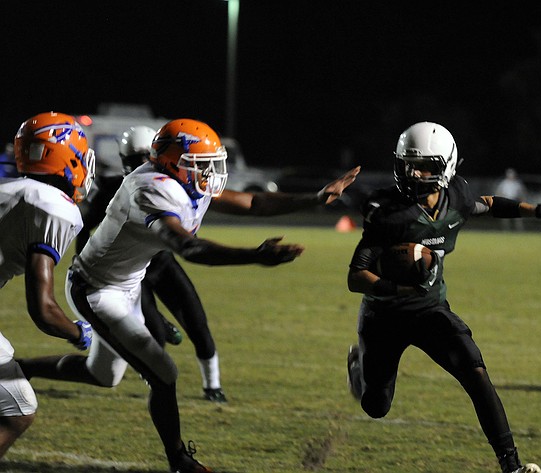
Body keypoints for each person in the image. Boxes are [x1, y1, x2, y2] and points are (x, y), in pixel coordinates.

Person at [18, 118, 360, 473]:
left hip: (126, 284)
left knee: (105, 375)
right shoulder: (151, 188)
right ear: (172, 162)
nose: (210, 173)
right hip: (97, 289)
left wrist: (315, 197)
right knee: (163, 372)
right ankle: (180, 460)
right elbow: (190, 248)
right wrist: (253, 256)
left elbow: (254, 202)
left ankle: (21, 368)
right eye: (202, 164)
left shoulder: (181, 180)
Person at [345, 122, 541, 473]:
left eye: (424, 166)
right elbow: (355, 276)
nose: (415, 173)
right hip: (384, 316)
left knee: (475, 370)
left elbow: (488, 204)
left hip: (429, 309)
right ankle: (358, 369)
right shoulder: (389, 211)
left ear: (447, 167)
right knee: (376, 405)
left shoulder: (457, 197)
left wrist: (537, 209)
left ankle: (511, 466)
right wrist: (398, 288)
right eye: (408, 164)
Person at [78, 125, 231, 403]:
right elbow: (85, 230)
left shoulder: (177, 184)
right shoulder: (120, 187)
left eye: (143, 156)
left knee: (197, 323)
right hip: (132, 274)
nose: (140, 163)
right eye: (133, 158)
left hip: (161, 262)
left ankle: (213, 386)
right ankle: (158, 387)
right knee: (156, 335)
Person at [0, 112, 96, 458]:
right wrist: (79, 332)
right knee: (17, 410)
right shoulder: (54, 206)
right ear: (67, 157)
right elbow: (43, 309)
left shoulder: (9, 189)